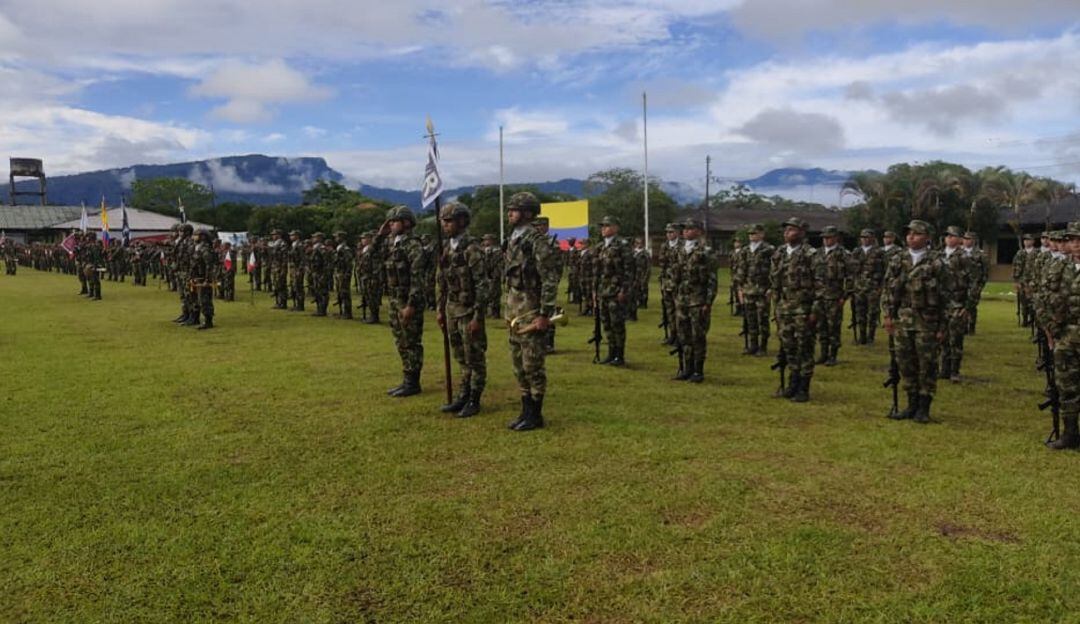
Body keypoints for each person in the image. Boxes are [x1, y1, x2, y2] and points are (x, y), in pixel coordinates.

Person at [503, 192, 560, 431]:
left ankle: (535, 414)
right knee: (518, 362)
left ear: (527, 213)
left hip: (531, 307)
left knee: (532, 363)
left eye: (514, 210)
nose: (509, 213)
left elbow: (549, 278)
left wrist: (544, 314)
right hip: (514, 307)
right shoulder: (512, 238)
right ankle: (525, 409)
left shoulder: (536, 240)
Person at [884, 220, 951, 423]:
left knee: (927, 365)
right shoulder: (898, 259)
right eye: (909, 234)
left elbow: (946, 297)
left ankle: (924, 407)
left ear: (927, 237)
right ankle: (911, 404)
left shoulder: (937, 262)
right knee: (905, 363)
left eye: (917, 234)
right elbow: (888, 290)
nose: (911, 237)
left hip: (927, 322)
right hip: (903, 321)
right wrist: (888, 316)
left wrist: (942, 326)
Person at [436, 202, 489, 418]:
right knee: (460, 355)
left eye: (449, 221)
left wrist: (478, 316)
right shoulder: (448, 248)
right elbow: (442, 282)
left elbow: (482, 285)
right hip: (452, 309)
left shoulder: (472, 249)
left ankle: (474, 399)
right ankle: (463, 394)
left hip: (469, 312)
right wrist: (440, 310)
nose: (445, 225)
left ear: (462, 221)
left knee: (474, 356)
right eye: (443, 221)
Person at [376, 206, 427, 398]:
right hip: (395, 300)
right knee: (400, 341)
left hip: (407, 301)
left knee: (411, 341)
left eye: (394, 221)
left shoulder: (413, 245)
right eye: (389, 221)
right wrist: (380, 236)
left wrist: (411, 305)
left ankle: (413, 382)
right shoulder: (391, 243)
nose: (390, 224)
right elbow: (370, 256)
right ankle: (407, 379)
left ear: (406, 223)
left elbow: (417, 278)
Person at [770, 217, 820, 402]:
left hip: (803, 309)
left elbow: (820, 284)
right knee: (789, 347)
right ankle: (793, 382)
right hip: (784, 309)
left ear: (801, 232)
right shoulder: (779, 253)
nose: (787, 232)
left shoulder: (811, 254)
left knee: (804, 348)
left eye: (791, 229)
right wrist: (776, 308)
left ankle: (803, 387)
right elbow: (775, 283)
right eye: (786, 229)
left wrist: (815, 311)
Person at [673, 219, 717, 382]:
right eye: (684, 228)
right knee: (683, 335)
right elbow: (675, 275)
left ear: (699, 231)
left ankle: (698, 370)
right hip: (682, 300)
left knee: (697, 336)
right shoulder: (679, 250)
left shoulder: (706, 251)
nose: (686, 231)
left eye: (690, 228)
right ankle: (686, 368)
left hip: (698, 300)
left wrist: (708, 302)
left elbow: (712, 279)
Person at [1048, 223, 1080, 449]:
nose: (1075, 244)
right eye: (1071, 240)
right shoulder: (1061, 268)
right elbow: (1049, 298)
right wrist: (1050, 330)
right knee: (1066, 385)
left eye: (1079, 240)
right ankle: (1070, 433)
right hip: (1067, 336)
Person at [593, 215, 633, 366]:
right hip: (603, 291)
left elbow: (629, 270)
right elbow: (597, 271)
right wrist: (594, 290)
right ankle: (611, 353)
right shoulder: (601, 246)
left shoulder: (622, 245)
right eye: (602, 226)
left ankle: (619, 355)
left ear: (616, 228)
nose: (603, 228)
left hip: (616, 291)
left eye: (607, 226)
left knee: (617, 324)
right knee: (607, 324)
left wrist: (624, 290)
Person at [940, 226, 977, 382]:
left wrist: (968, 306)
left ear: (960, 239)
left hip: (958, 303)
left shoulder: (965, 257)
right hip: (941, 303)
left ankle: (955, 371)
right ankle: (944, 369)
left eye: (952, 236)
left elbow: (973, 283)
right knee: (942, 338)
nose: (949, 238)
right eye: (947, 236)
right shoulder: (938, 255)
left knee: (956, 339)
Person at [813, 225, 850, 367]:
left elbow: (851, 277)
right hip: (819, 296)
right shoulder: (818, 253)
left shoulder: (843, 254)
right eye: (824, 238)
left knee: (833, 327)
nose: (825, 240)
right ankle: (823, 354)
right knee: (821, 326)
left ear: (835, 238)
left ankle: (833, 355)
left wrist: (844, 296)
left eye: (828, 237)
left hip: (834, 296)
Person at [735, 223, 774, 356]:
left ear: (762, 234)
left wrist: (771, 288)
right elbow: (741, 270)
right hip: (748, 290)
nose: (752, 236)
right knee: (750, 319)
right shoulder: (745, 251)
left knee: (762, 318)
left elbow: (774, 270)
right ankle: (753, 345)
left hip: (763, 290)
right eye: (750, 234)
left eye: (755, 233)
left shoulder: (769, 250)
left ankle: (763, 346)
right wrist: (740, 289)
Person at [850, 229, 886, 345]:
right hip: (858, 287)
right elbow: (852, 271)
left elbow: (886, 271)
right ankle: (862, 336)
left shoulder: (879, 252)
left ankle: (871, 337)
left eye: (867, 237)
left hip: (873, 287)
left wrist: (881, 287)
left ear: (872, 238)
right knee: (860, 313)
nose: (864, 239)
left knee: (872, 313)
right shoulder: (856, 252)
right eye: (862, 237)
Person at [533, 216, 563, 353]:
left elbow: (557, 265)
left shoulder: (553, 243)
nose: (538, 228)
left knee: (548, 312)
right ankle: (539, 342)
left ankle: (549, 343)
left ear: (546, 226)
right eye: (537, 226)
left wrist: (555, 281)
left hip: (548, 281)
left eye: (541, 225)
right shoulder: (535, 242)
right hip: (536, 283)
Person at [658, 222, 682, 345]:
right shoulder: (664, 246)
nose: (669, 234)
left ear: (677, 233)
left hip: (678, 284)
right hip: (666, 283)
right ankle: (672, 334)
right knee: (669, 310)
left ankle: (679, 336)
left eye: (671, 232)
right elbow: (662, 264)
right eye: (667, 232)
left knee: (679, 310)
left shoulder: (682, 246)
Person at [189, 229, 218, 329]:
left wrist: (207, 279)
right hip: (197, 277)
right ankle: (203, 319)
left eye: (196, 235)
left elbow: (209, 266)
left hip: (203, 278)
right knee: (199, 299)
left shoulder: (205, 249)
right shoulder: (197, 248)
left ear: (203, 237)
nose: (194, 237)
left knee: (204, 300)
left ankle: (208, 321)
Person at [963, 231, 989, 334]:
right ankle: (963, 326)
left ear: (974, 241)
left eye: (968, 239)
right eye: (965, 239)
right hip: (962, 284)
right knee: (962, 305)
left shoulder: (980, 254)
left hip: (975, 284)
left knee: (972, 305)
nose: (966, 241)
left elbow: (985, 271)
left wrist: (981, 285)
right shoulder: (959, 252)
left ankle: (971, 325)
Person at [1014, 233, 1037, 327]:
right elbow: (1015, 267)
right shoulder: (1019, 253)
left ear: (1033, 241)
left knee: (1033, 301)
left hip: (1033, 281)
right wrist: (1016, 281)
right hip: (1022, 281)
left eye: (1029, 240)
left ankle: (1032, 319)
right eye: (1025, 240)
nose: (1027, 242)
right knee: (1023, 301)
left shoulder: (1037, 253)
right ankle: (1024, 319)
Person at [333, 231, 354, 319]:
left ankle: (347, 313)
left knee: (345, 292)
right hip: (339, 272)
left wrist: (347, 273)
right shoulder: (339, 248)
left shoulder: (345, 249)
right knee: (340, 292)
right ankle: (342, 311)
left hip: (343, 273)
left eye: (337, 237)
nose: (335, 238)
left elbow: (349, 262)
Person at [632, 237, 651, 318]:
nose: (639, 245)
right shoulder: (632, 252)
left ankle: (643, 303)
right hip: (634, 274)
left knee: (643, 288)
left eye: (640, 243)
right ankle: (637, 302)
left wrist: (646, 276)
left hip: (642, 273)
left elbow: (648, 266)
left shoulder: (645, 254)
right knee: (636, 289)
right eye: (637, 243)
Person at [288, 230, 306, 312]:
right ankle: (295, 304)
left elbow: (303, 258)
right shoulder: (293, 245)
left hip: (298, 268)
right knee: (294, 286)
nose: (290, 237)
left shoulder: (300, 245)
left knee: (299, 286)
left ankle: (300, 305)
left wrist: (300, 269)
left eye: (292, 235)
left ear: (297, 236)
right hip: (293, 268)